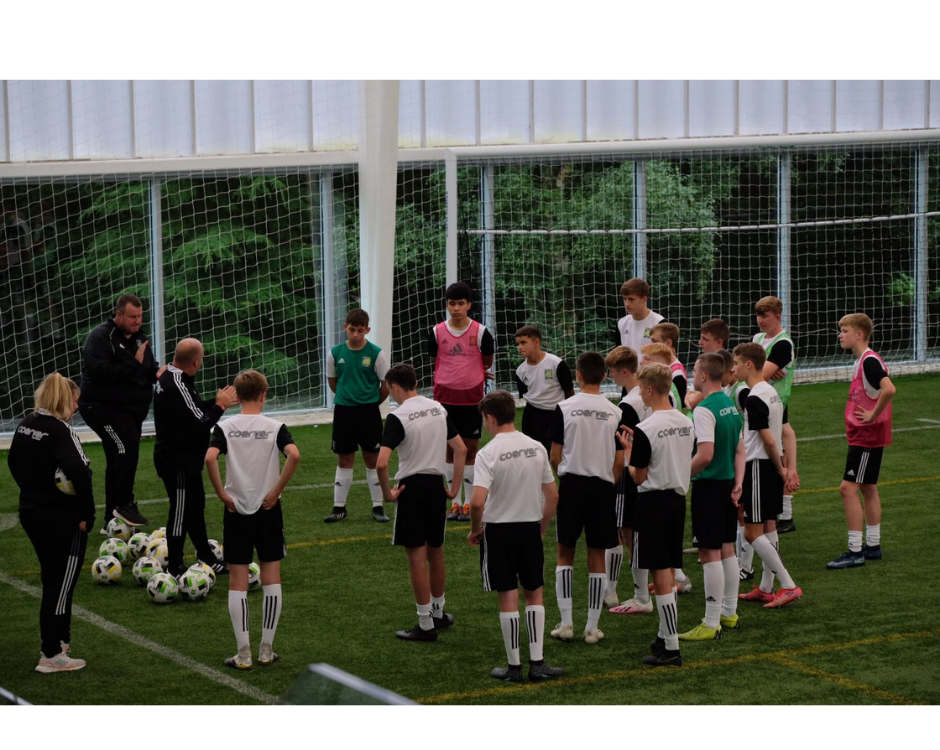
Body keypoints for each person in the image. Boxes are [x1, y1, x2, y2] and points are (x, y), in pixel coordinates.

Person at [205, 370, 301, 669]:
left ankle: (243, 653)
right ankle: (266, 650)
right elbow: (294, 455)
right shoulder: (275, 426)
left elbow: (209, 458)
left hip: (236, 509)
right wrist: (276, 490)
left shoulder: (226, 426)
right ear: (263, 395)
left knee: (237, 582)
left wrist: (222, 494)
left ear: (237, 395)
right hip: (268, 508)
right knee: (272, 579)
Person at [467, 390, 564, 682]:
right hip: (529, 528)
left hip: (499, 532)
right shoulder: (536, 447)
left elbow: (476, 501)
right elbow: (553, 495)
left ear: (491, 418)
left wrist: (475, 529)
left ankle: (514, 668)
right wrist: (542, 527)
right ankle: (538, 663)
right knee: (534, 593)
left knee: (507, 595)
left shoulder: (487, 453)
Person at [8, 373, 95, 673]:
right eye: (74, 400)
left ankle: (61, 643)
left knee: (53, 578)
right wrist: (87, 514)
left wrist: (32, 492)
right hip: (62, 518)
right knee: (61, 584)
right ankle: (52, 653)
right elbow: (80, 471)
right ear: (62, 399)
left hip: (31, 512)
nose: (77, 406)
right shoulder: (61, 430)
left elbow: (12, 463)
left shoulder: (26, 425)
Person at [376, 363, 467, 641]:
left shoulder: (397, 416)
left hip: (411, 488)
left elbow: (381, 463)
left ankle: (425, 624)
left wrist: (387, 494)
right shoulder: (438, 408)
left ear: (394, 387)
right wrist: (453, 489)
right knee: (436, 552)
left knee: (416, 558)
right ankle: (439, 613)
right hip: (435, 485)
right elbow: (461, 449)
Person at [618, 363, 695, 667]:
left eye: (640, 388)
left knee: (661, 575)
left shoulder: (645, 429)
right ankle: (664, 636)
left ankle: (671, 647)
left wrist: (627, 452)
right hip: (677, 501)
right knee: (667, 569)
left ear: (649, 390)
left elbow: (638, 477)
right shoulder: (685, 422)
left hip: (652, 503)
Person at [547, 351, 624, 645]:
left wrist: (563, 476)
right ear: (604, 376)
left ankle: (566, 623)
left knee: (565, 553)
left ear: (577, 375)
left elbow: (555, 455)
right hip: (603, 487)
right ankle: (592, 628)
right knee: (597, 556)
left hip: (572, 486)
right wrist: (608, 481)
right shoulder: (616, 411)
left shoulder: (564, 408)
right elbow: (619, 461)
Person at [153, 338, 239, 578]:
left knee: (195, 507)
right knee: (180, 512)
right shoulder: (176, 383)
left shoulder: (172, 377)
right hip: (176, 462)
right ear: (196, 361)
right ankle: (175, 566)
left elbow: (194, 409)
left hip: (186, 460)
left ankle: (206, 556)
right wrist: (220, 407)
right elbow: (201, 423)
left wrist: (218, 401)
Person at [678, 354, 744, 642]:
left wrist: (681, 474)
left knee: (709, 553)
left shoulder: (704, 409)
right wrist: (739, 483)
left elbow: (704, 454)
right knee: (727, 547)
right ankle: (729, 613)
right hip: (729, 483)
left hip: (710, 487)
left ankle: (710, 621)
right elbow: (740, 450)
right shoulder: (730, 405)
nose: (692, 375)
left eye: (694, 371)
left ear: (704, 376)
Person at [79, 293, 160, 530]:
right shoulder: (101, 337)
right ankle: (124, 504)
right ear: (119, 315)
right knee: (127, 446)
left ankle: (111, 521)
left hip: (130, 409)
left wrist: (160, 373)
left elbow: (147, 368)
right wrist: (133, 363)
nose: (137, 321)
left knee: (117, 457)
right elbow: (102, 373)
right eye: (132, 317)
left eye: (140, 316)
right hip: (100, 406)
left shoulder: (139, 338)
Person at [732, 343, 803, 608]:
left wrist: (781, 468)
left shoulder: (753, 398)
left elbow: (769, 442)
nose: (734, 368)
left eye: (736, 363)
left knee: (751, 533)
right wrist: (783, 467)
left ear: (748, 364)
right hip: (769, 468)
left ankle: (788, 584)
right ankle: (766, 587)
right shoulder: (772, 392)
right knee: (769, 525)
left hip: (759, 467)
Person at [827, 313, 896, 569]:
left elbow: (889, 388)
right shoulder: (863, 360)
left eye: (844, 330)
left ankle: (855, 550)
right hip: (864, 436)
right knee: (868, 487)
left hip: (866, 437)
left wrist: (872, 414)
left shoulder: (868, 361)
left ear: (859, 334)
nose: (840, 335)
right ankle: (873, 546)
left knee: (847, 489)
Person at [427, 281, 495, 522]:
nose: (456, 308)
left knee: (470, 451)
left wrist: (475, 372)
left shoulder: (482, 333)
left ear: (469, 305)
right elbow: (437, 360)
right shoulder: (436, 332)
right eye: (451, 304)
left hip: (471, 401)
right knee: (448, 450)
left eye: (460, 304)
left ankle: (467, 503)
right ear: (446, 305)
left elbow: (486, 361)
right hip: (444, 401)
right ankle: (453, 503)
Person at [323, 308, 391, 524]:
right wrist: (348, 397)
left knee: (373, 459)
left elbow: (385, 384)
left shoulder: (376, 353)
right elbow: (333, 381)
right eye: (352, 330)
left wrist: (370, 402)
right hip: (344, 411)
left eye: (360, 330)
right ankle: (339, 508)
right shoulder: (335, 353)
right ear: (345, 327)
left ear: (367, 330)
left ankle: (378, 507)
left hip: (369, 412)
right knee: (344, 458)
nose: (355, 334)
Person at [602, 346, 654, 614]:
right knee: (636, 533)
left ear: (624, 371)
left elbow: (621, 450)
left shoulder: (627, 404)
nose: (610, 376)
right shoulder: (648, 393)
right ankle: (640, 593)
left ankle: (641, 596)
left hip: (632, 474)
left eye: (611, 372)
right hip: (652, 470)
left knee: (628, 533)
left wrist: (612, 479)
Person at [752, 296, 800, 534]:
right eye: (759, 315)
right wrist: (765, 370)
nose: (760, 320)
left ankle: (785, 514)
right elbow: (751, 369)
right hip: (761, 402)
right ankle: (778, 512)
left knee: (776, 456)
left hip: (775, 403)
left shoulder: (782, 344)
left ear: (778, 316)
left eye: (765, 315)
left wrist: (762, 371)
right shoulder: (757, 339)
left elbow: (755, 375)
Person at [514, 325, 575, 454]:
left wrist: (567, 413)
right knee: (532, 454)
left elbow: (569, 391)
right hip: (532, 415)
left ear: (537, 342)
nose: (519, 347)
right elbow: (525, 394)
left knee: (557, 454)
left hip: (554, 414)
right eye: (518, 344)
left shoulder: (556, 363)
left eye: (523, 343)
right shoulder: (520, 371)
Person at [684, 318, 731, 412]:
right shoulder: (704, 362)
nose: (700, 342)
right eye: (701, 338)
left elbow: (693, 403)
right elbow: (688, 397)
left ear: (719, 342)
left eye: (705, 339)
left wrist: (691, 397)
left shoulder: (719, 367)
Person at [616, 278, 664, 354]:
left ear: (644, 299)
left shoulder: (659, 323)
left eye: (631, 299)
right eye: (625, 299)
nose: (626, 304)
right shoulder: (621, 323)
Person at [650, 322, 687, 408]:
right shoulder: (665, 366)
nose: (650, 344)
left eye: (654, 341)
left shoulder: (677, 373)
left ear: (668, 343)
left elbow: (679, 405)